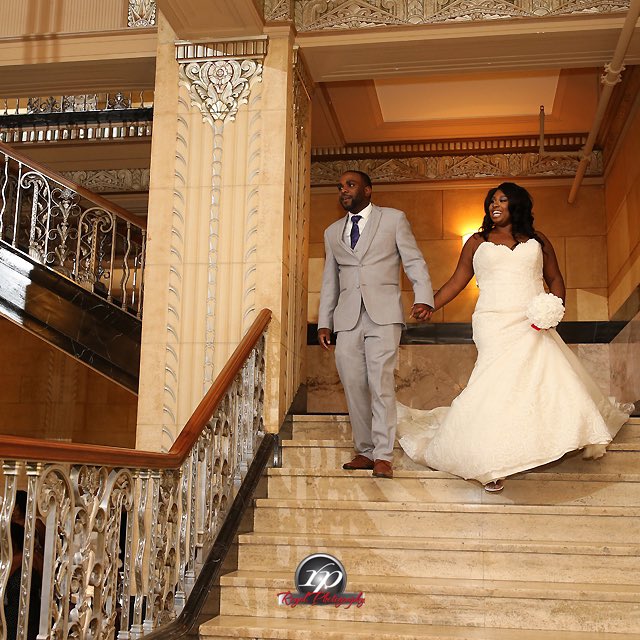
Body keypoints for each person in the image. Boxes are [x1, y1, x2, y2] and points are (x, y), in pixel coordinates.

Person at [397, 182, 631, 491]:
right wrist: (430, 304)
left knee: (543, 378)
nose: (495, 204)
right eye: (492, 200)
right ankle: (489, 461)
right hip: (493, 322)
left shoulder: (537, 240)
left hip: (532, 320)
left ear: (516, 204)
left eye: (502, 199)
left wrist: (553, 306)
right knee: (494, 383)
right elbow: (457, 281)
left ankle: (555, 437)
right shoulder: (476, 241)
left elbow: (555, 278)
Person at [318, 170, 434, 479]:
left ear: (368, 190)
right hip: (346, 318)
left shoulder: (393, 219)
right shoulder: (332, 233)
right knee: (354, 384)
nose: (343, 190)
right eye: (340, 186)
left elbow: (414, 261)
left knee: (380, 382)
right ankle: (364, 451)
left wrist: (424, 296)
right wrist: (324, 321)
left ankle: (383, 455)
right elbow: (330, 279)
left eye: (350, 185)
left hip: (383, 315)